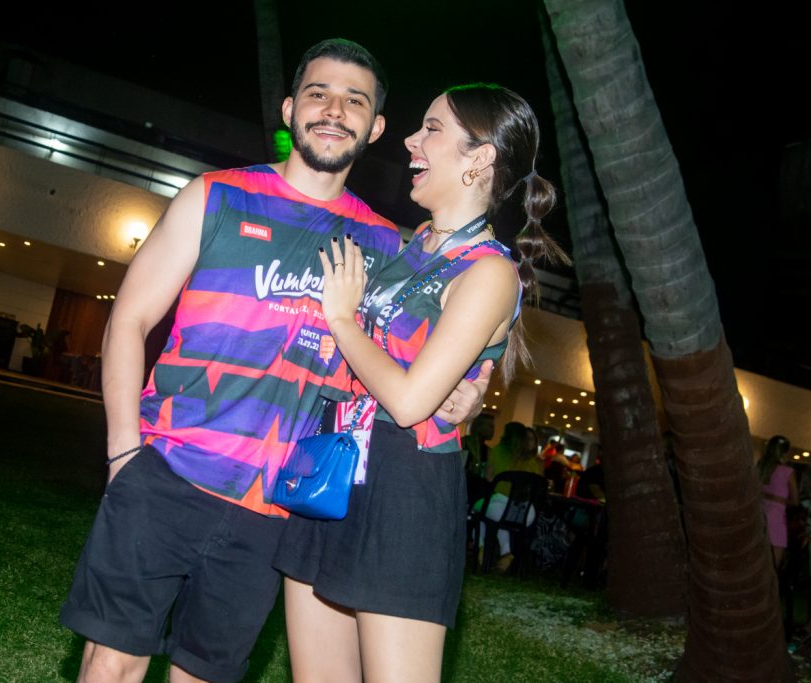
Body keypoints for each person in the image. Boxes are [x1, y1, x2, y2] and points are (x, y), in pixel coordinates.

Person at [57, 38, 491, 683]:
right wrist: (124, 451)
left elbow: (417, 355)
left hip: (276, 513)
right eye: (318, 93)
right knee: (111, 663)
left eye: (354, 101)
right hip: (167, 472)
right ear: (290, 109)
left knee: (204, 675)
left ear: (374, 127)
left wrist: (469, 396)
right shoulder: (215, 196)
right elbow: (130, 319)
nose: (333, 110)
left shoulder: (383, 244)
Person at [273, 82, 568, 682]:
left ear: (480, 158)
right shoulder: (414, 247)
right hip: (335, 464)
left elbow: (410, 402)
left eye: (432, 129)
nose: (411, 139)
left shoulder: (490, 273)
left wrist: (341, 319)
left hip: (405, 485)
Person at [478, 422, 545, 572]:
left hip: (501, 506)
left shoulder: (497, 451)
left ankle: (481, 549)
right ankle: (506, 554)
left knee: (478, 510)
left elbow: (488, 477)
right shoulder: (532, 462)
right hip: (527, 513)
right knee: (497, 514)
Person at [759, 434, 797, 570]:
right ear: (785, 453)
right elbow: (795, 501)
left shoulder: (760, 468)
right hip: (776, 519)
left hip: (759, 515)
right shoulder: (788, 472)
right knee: (773, 567)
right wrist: (780, 499)